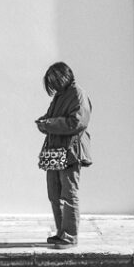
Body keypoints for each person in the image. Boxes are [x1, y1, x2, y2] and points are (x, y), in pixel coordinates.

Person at [36, 61, 92, 247]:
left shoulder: (78, 94)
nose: (52, 85)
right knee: (54, 194)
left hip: (70, 152)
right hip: (55, 151)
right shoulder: (59, 96)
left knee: (68, 194)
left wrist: (49, 124)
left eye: (54, 80)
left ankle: (70, 236)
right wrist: (44, 122)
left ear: (63, 77)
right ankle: (61, 232)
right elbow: (51, 117)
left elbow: (78, 122)